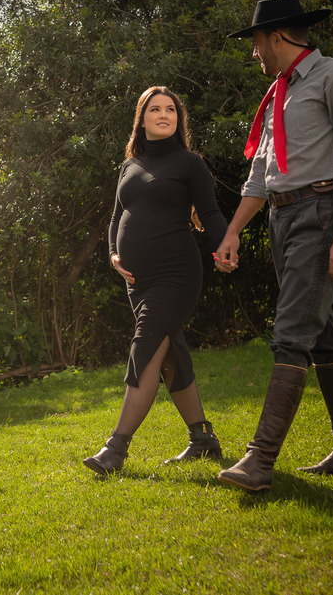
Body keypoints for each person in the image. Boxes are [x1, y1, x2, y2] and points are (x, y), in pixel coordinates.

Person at [213, 0, 333, 493]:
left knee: (291, 333)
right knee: (320, 332)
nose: (255, 53)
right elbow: (260, 178)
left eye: (256, 43)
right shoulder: (277, 95)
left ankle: (258, 461)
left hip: (322, 214)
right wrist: (233, 230)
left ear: (278, 37)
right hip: (283, 219)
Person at [84, 86, 229, 477]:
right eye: (155, 109)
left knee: (146, 344)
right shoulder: (130, 165)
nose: (164, 115)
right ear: (142, 118)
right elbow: (117, 217)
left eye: (171, 109)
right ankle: (202, 439)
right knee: (168, 351)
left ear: (178, 119)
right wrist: (115, 254)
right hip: (137, 280)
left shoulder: (189, 163)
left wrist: (225, 246)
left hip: (176, 273)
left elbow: (212, 214)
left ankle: (116, 449)